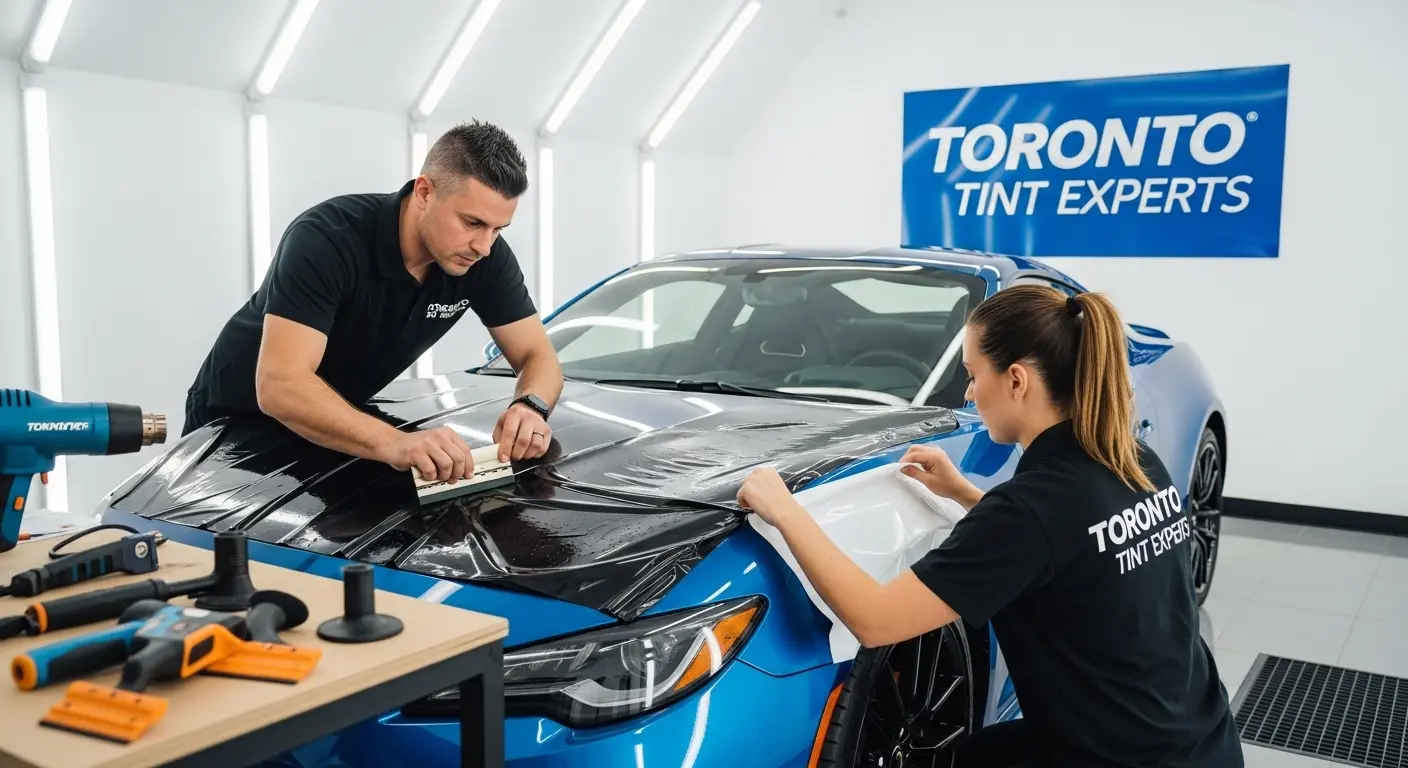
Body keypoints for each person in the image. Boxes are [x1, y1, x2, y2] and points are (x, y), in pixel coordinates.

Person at [736, 285, 1243, 767]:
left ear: (1017, 380)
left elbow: (875, 620)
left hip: (1120, 756)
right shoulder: (1132, 460)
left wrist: (785, 511)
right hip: (1199, 739)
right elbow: (1067, 547)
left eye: (975, 374)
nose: (971, 391)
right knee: (972, 755)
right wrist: (963, 493)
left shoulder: (1032, 507)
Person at [182, 120, 563, 483]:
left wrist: (530, 406)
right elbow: (281, 385)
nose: (484, 246)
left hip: (339, 421)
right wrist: (395, 442)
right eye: (472, 223)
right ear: (425, 192)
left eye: (498, 229)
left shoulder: (484, 256)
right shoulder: (325, 239)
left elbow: (537, 355)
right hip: (232, 425)